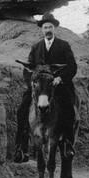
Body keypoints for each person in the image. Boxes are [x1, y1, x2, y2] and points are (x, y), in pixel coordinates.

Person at [14, 12, 77, 163]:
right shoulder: (36, 47)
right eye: (45, 27)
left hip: (58, 85)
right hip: (39, 86)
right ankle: (21, 146)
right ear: (41, 30)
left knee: (68, 107)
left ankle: (68, 142)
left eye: (50, 27)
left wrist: (60, 78)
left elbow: (72, 67)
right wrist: (32, 82)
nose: (47, 30)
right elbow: (27, 68)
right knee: (22, 108)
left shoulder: (63, 45)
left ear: (54, 28)